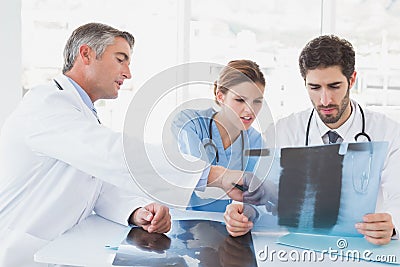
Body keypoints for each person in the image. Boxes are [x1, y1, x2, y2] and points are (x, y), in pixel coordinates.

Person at [0, 22, 171, 266]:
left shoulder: (81, 113)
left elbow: (96, 186)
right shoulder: (45, 104)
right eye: (121, 59)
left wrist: (138, 212)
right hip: (18, 253)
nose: (128, 73)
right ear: (86, 54)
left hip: (58, 251)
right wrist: (203, 172)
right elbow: (109, 153)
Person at [224, 35, 400, 245]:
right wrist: (242, 213)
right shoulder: (282, 131)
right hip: (297, 247)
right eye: (315, 88)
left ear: (352, 80)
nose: (325, 100)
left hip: (363, 247)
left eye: (334, 86)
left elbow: (397, 196)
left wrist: (392, 223)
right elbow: (261, 195)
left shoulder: (388, 132)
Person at [172, 60, 267, 212]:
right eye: (240, 100)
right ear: (221, 96)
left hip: (229, 224)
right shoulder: (189, 123)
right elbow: (192, 170)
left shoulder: (256, 142)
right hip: (184, 221)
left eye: (257, 101)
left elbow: (257, 196)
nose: (250, 110)